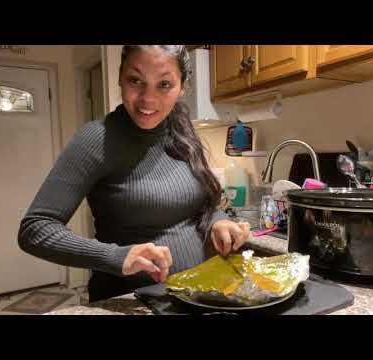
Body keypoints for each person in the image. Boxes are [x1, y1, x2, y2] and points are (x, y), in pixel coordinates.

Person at [18, 45, 251, 303]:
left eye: (164, 85)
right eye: (136, 80)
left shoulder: (181, 127)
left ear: (182, 87)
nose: (148, 100)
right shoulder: (97, 138)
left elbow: (199, 206)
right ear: (120, 77)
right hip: (131, 301)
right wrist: (116, 257)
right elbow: (35, 229)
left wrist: (218, 221)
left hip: (195, 295)